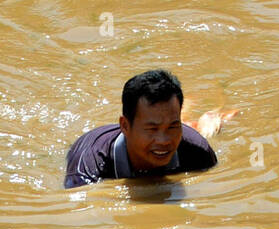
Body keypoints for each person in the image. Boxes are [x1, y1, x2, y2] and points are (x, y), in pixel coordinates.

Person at [63, 69, 217, 188]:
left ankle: (204, 119)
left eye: (173, 126)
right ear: (125, 126)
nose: (164, 141)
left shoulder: (199, 152)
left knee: (204, 132)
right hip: (96, 141)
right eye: (152, 129)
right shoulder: (88, 168)